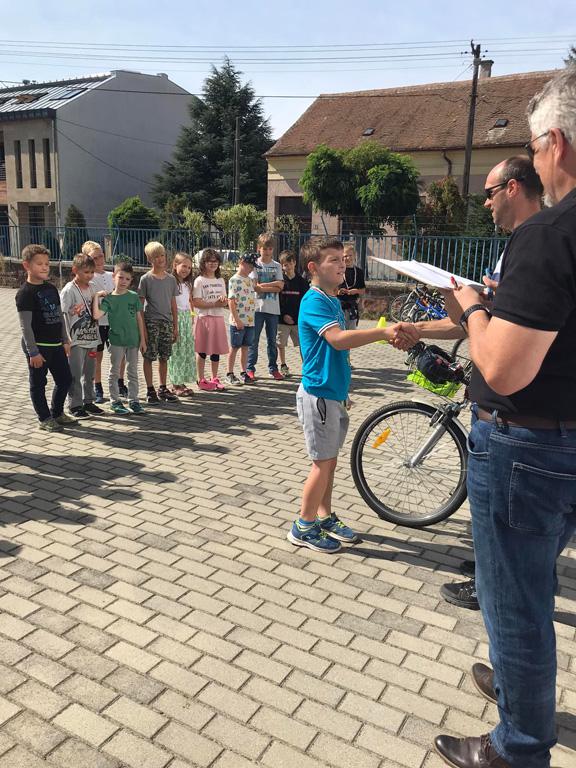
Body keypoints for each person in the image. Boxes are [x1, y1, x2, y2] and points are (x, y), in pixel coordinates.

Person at [434, 67, 576, 768]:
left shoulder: (552, 232)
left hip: (529, 446)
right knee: (530, 583)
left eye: (534, 148)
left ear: (558, 144)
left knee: (515, 600)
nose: (536, 162)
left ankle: (517, 746)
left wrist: (472, 309)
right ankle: (520, 692)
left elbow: (503, 368)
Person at [411, 155, 543, 612]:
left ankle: (493, 586)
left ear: (512, 188)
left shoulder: (536, 242)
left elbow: (497, 327)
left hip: (511, 417)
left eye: (489, 193)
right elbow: (483, 320)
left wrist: (475, 305)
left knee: (505, 529)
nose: (485, 203)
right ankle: (492, 572)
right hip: (504, 412)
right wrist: (469, 303)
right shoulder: (518, 245)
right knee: (499, 526)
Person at [287, 237, 419, 553]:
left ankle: (324, 516)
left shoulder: (332, 298)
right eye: (333, 260)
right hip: (318, 396)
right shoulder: (314, 300)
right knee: (322, 465)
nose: (342, 264)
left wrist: (344, 391)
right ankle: (303, 526)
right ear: (313, 267)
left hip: (333, 395)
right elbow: (338, 339)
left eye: (342, 258)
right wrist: (382, 332)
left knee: (329, 463)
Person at [15, 244, 74, 433]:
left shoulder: (51, 288)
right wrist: (33, 352)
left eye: (47, 264)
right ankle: (44, 418)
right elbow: (25, 326)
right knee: (38, 384)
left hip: (56, 344)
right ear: (27, 265)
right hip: (38, 347)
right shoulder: (25, 293)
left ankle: (57, 413)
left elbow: (59, 317)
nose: (44, 267)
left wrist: (65, 340)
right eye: (39, 264)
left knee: (65, 379)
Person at [92, 260, 146, 415]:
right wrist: (96, 296)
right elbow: (97, 315)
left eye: (127, 279)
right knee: (114, 372)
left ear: (131, 281)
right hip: (116, 341)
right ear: (113, 277)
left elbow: (139, 319)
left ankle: (134, 401)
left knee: (132, 372)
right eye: (120, 277)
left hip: (133, 341)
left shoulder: (133, 297)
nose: (123, 281)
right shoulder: (109, 298)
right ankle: (115, 401)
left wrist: (142, 339)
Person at [60, 253, 105, 419]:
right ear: (75, 270)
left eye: (92, 272)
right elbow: (63, 315)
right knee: (75, 373)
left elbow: (96, 310)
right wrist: (66, 339)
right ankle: (75, 404)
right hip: (76, 340)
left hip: (92, 337)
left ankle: (88, 401)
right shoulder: (69, 290)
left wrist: (100, 298)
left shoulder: (92, 287)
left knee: (90, 372)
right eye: (86, 272)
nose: (89, 275)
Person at [138, 241, 179, 404]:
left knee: (164, 357)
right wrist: (143, 331)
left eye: (162, 255)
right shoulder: (145, 279)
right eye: (156, 257)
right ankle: (150, 389)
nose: (160, 259)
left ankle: (163, 388)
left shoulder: (171, 280)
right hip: (151, 322)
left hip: (167, 323)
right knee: (149, 356)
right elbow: (140, 307)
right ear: (149, 259)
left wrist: (175, 326)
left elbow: (173, 305)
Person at [82, 240, 120, 403]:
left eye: (101, 256)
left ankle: (119, 383)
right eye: (94, 258)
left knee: (118, 355)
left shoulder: (112, 275)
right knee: (97, 357)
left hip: (113, 321)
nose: (99, 260)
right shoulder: (89, 279)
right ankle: (97, 387)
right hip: (97, 323)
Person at [246, 232, 285, 381]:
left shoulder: (277, 266)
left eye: (270, 249)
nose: (267, 251)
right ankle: (250, 369)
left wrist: (264, 286)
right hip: (257, 309)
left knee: (272, 341)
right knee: (253, 340)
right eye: (264, 248)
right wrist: (272, 285)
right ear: (259, 248)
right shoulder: (255, 265)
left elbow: (280, 287)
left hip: (273, 310)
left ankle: (273, 368)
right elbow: (255, 287)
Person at [192, 248, 229, 391]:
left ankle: (214, 378)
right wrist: (214, 304)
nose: (213, 264)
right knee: (202, 350)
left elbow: (224, 301)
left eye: (215, 261)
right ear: (204, 263)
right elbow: (196, 302)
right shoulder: (199, 281)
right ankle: (201, 379)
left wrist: (223, 300)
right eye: (209, 261)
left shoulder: (220, 280)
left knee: (216, 351)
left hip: (218, 318)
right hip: (204, 319)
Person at [277, 250, 309, 377]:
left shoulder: (302, 282)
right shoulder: (280, 281)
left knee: (303, 344)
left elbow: (305, 302)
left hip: (298, 320)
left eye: (290, 263)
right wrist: (283, 315)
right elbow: (277, 301)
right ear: (282, 266)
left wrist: (295, 317)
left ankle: (306, 366)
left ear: (294, 263)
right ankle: (283, 365)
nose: (288, 266)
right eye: (285, 264)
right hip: (282, 320)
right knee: (280, 344)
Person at [226, 252, 257, 386]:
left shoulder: (250, 280)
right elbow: (231, 301)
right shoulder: (234, 280)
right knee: (234, 347)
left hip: (250, 320)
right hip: (238, 321)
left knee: (246, 348)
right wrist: (237, 319)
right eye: (250, 266)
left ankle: (243, 372)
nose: (251, 269)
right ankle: (229, 373)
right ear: (242, 263)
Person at [168, 252, 196, 397]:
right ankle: (175, 384)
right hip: (176, 318)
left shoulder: (187, 284)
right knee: (176, 352)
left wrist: (192, 316)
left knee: (185, 351)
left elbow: (190, 301)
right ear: (175, 265)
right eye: (184, 266)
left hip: (185, 319)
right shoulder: (170, 282)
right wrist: (174, 324)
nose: (186, 270)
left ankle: (181, 381)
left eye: (189, 267)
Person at [338, 243, 366, 329]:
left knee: (351, 331)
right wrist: (338, 292)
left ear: (354, 256)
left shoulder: (359, 272)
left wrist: (356, 291)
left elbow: (363, 290)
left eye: (350, 255)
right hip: (339, 306)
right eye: (345, 256)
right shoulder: (338, 270)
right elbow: (330, 288)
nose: (348, 258)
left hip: (352, 307)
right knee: (339, 331)